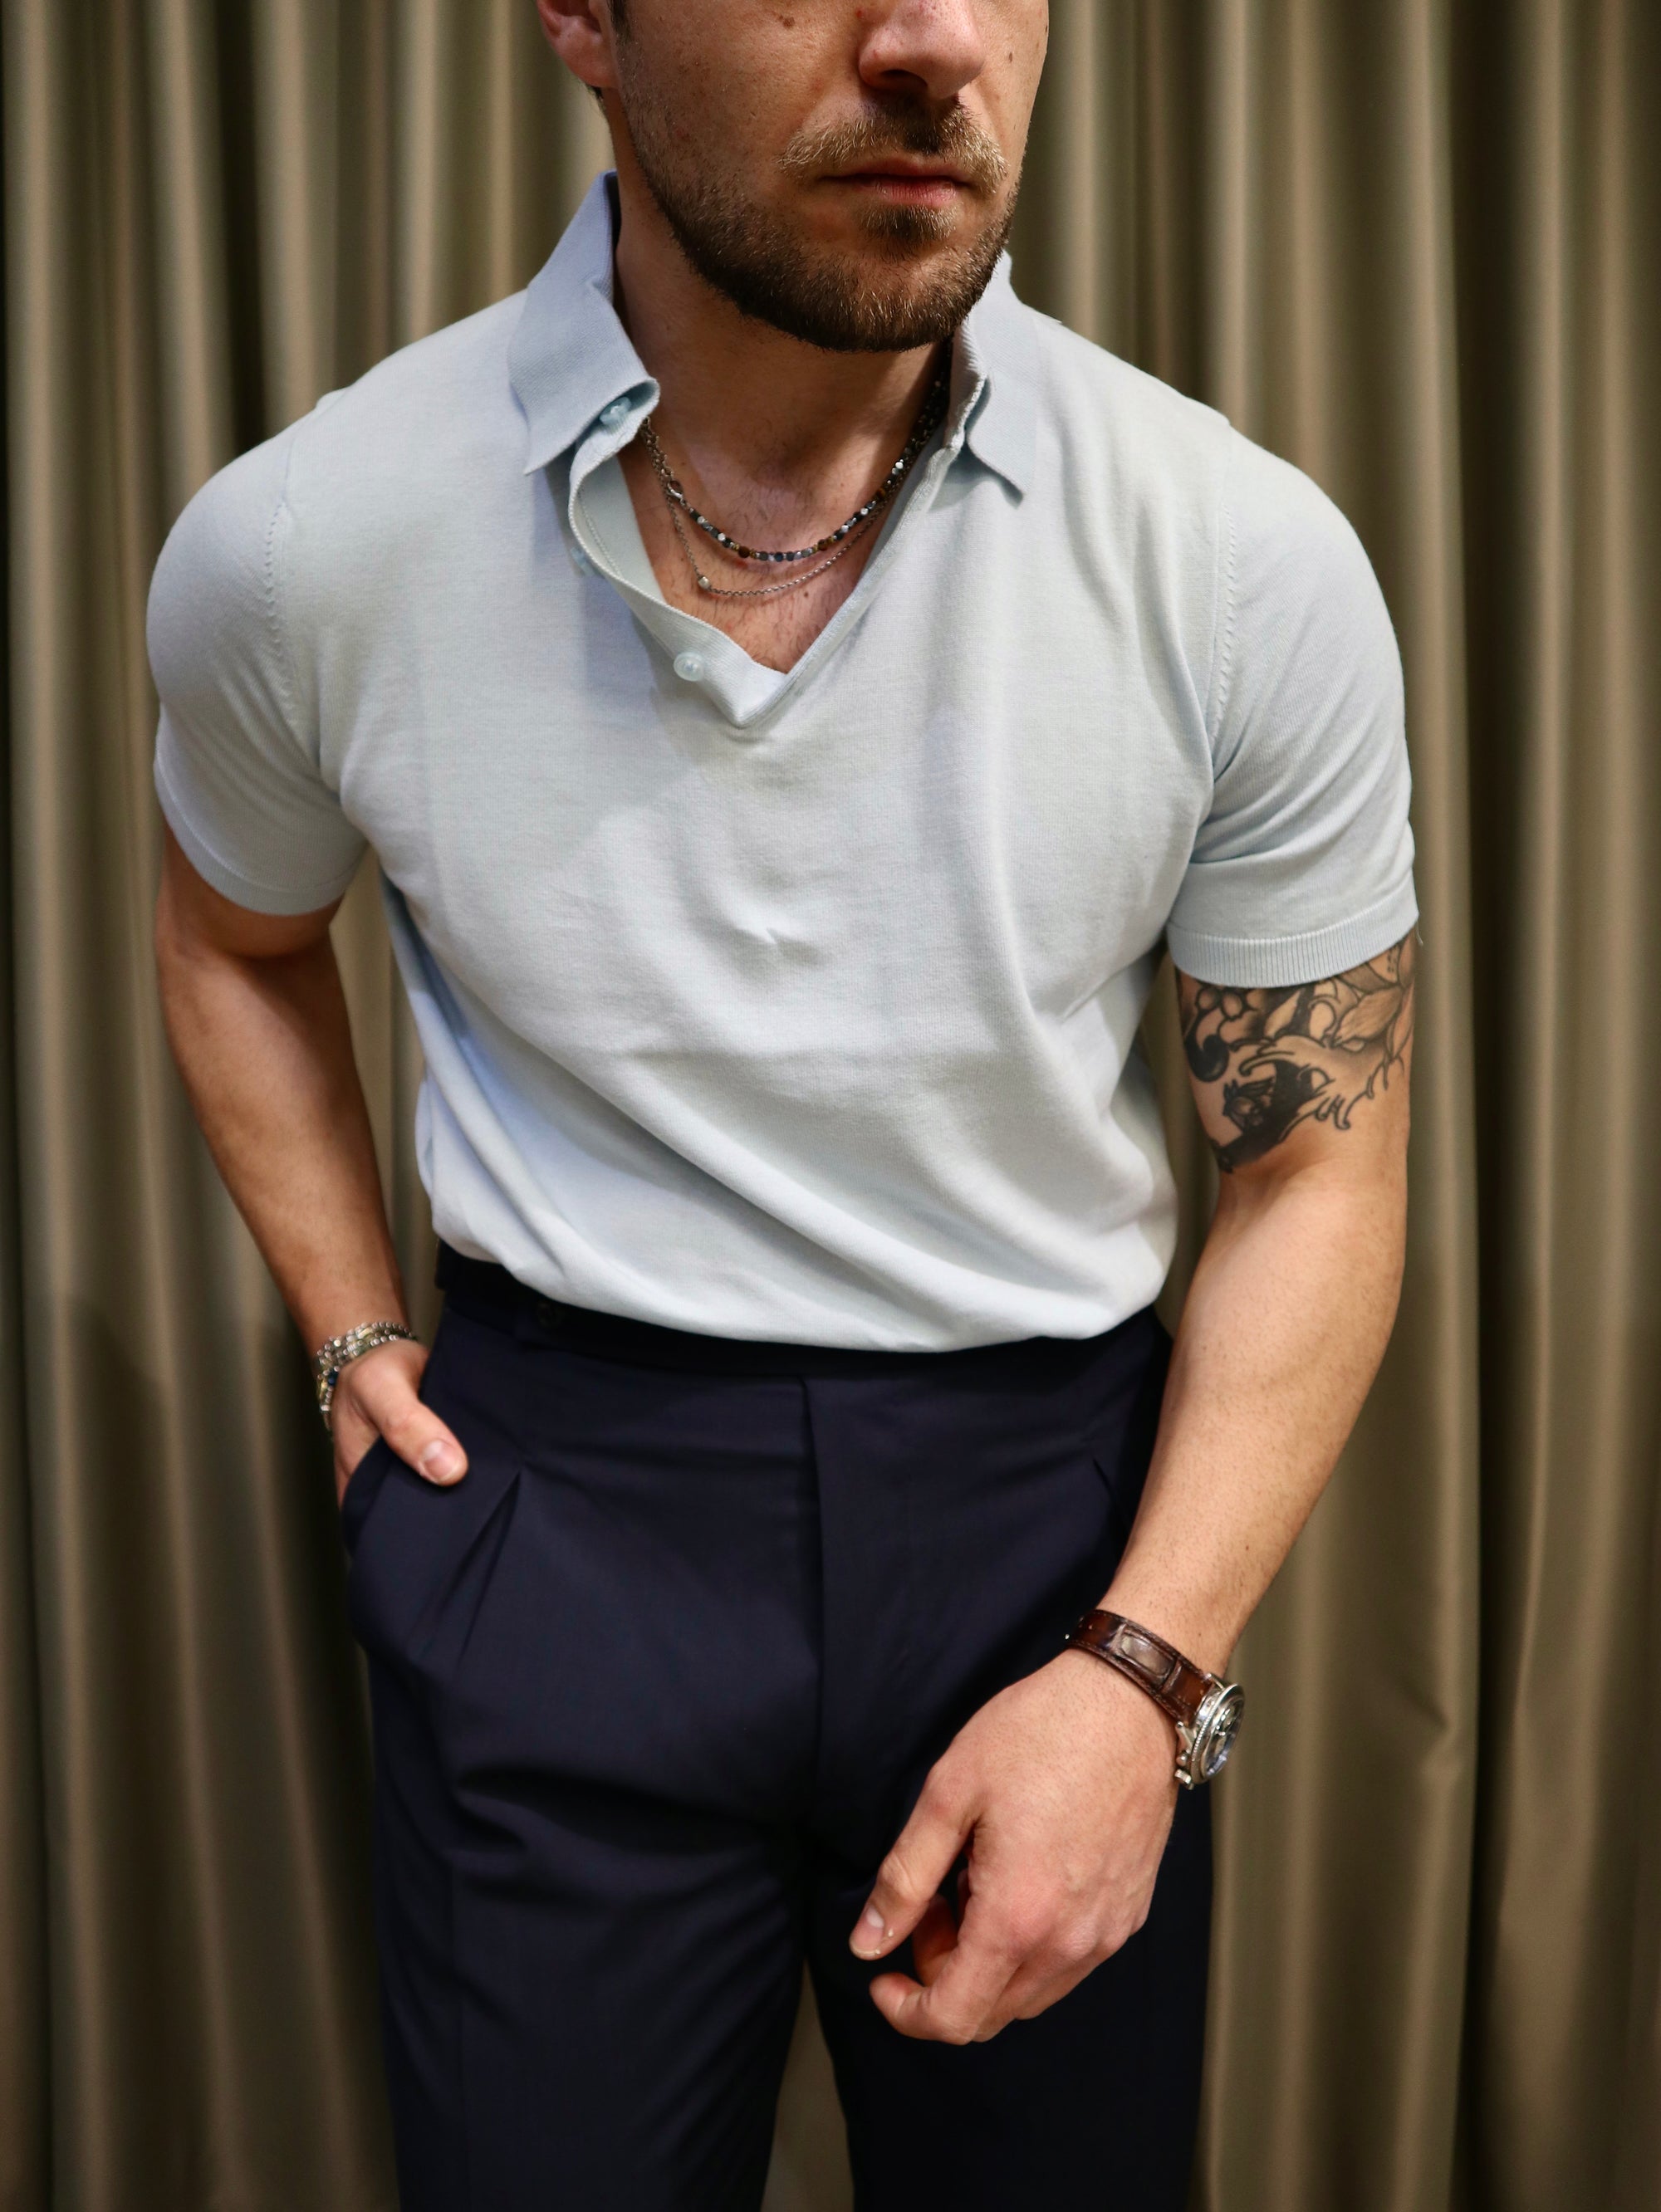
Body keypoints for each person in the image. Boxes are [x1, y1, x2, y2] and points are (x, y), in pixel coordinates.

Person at [147, 1, 1417, 2205]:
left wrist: (1144, 1673)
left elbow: (1317, 1165)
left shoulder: (1239, 559)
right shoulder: (307, 543)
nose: (934, 39)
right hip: (556, 1504)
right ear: (586, 18)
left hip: (1057, 1536)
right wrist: (354, 1341)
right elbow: (233, 941)